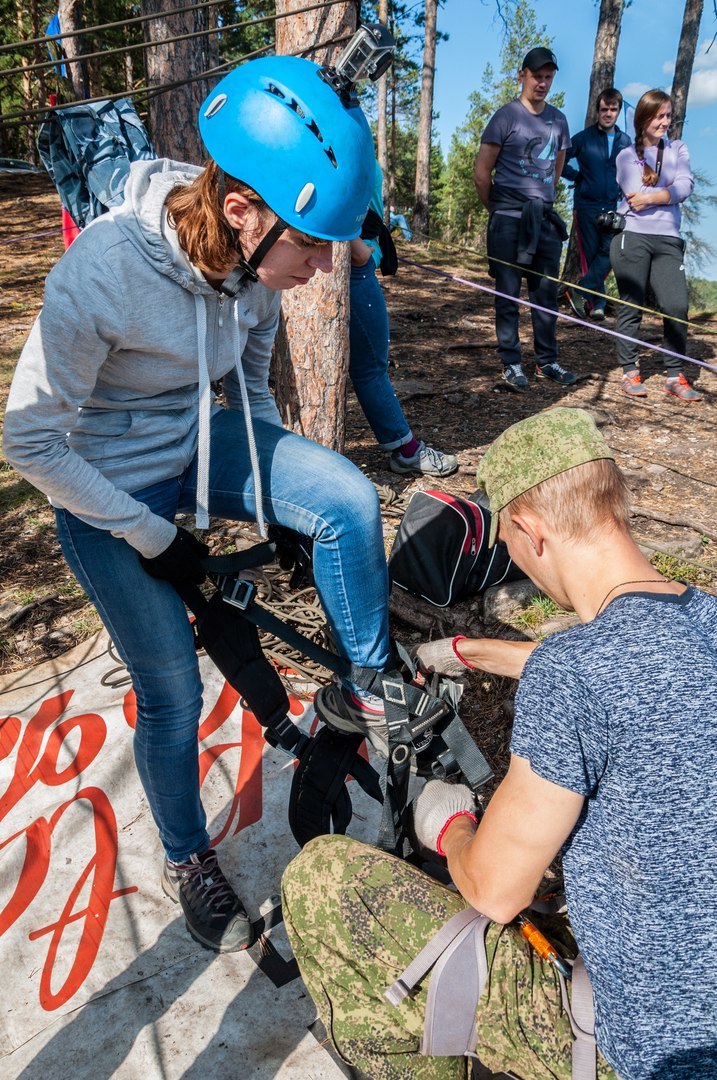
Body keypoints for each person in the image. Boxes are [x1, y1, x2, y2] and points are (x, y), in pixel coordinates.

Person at [3, 55, 395, 954]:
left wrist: (273, 507)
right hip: (101, 487)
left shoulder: (254, 275)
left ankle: (372, 697)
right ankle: (188, 856)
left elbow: (249, 388)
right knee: (173, 694)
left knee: (342, 497)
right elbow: (27, 441)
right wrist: (153, 538)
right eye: (311, 242)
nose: (327, 264)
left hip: (197, 452)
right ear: (237, 212)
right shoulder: (103, 271)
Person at [282, 406, 717, 1080]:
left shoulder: (574, 676)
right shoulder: (703, 619)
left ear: (528, 531)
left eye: (507, 546)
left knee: (325, 879)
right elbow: (633, 667)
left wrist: (449, 825)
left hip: (648, 1056)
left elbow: (493, 892)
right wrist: (477, 651)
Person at [474, 47, 577, 392]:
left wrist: (542, 202)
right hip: (507, 217)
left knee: (545, 293)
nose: (543, 83)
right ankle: (511, 362)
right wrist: (498, 210)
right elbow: (481, 172)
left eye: (548, 77)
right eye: (537, 76)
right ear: (522, 75)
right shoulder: (506, 116)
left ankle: (547, 360)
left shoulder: (559, 120)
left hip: (543, 219)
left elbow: (556, 170)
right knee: (508, 293)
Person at [350, 160, 457, 477]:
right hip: (354, 265)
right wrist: (360, 250)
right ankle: (406, 451)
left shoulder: (349, 139)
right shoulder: (333, 141)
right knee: (370, 368)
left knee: (368, 367)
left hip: (360, 258)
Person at [610, 89, 699, 401]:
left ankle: (675, 374)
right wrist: (666, 191)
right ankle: (630, 370)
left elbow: (686, 186)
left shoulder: (679, 148)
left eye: (668, 115)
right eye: (660, 116)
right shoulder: (625, 155)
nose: (666, 122)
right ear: (644, 119)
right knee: (631, 302)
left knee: (676, 305)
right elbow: (634, 198)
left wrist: (654, 195)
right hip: (632, 236)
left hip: (668, 238)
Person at [561, 88, 631, 322]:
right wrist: (576, 176)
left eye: (613, 110)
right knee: (591, 256)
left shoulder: (626, 142)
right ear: (597, 111)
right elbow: (559, 159)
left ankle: (579, 290)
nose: (608, 114)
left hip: (614, 207)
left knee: (611, 252)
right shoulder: (583, 138)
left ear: (619, 111)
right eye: (604, 110)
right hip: (587, 205)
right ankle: (598, 304)